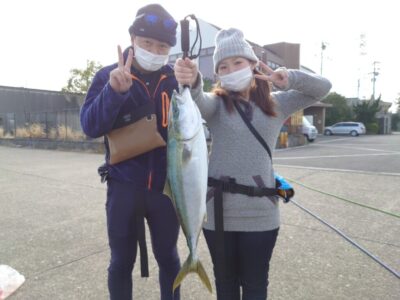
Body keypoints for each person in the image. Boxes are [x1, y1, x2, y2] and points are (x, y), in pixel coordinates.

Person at [174, 28, 332, 300]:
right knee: (225, 284)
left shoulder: (278, 104)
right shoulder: (216, 106)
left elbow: (323, 87)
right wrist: (193, 77)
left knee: (256, 285)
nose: (231, 69)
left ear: (252, 64)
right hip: (217, 214)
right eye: (223, 66)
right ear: (218, 74)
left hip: (261, 215)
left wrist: (289, 77)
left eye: (237, 62)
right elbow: (197, 97)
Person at [80, 4, 181, 300]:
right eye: (147, 42)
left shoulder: (175, 79)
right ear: (132, 40)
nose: (154, 49)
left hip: (166, 189)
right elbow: (90, 126)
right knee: (121, 262)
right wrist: (113, 92)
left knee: (169, 259)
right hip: (123, 186)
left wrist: (196, 82)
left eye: (162, 45)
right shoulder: (107, 75)